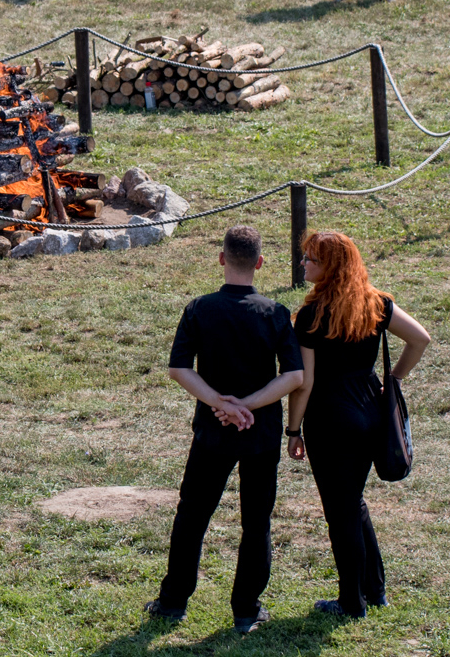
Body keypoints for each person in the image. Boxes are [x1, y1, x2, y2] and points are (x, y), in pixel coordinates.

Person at [145, 225, 304, 636]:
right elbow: (294, 376)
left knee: (193, 515)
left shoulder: (199, 308)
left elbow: (179, 369)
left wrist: (220, 404)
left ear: (221, 258)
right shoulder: (275, 313)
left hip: (211, 433)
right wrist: (246, 406)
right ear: (260, 262)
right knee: (256, 521)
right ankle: (246, 611)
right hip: (261, 433)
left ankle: (173, 603)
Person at [286, 231, 430, 619]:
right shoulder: (376, 302)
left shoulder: (312, 316)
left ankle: (352, 603)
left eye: (311, 260)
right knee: (352, 502)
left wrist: (294, 430)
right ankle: (375, 589)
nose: (304, 264)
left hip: (329, 418)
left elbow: (307, 382)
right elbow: (420, 339)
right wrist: (393, 381)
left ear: (330, 266)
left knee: (341, 512)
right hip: (369, 408)